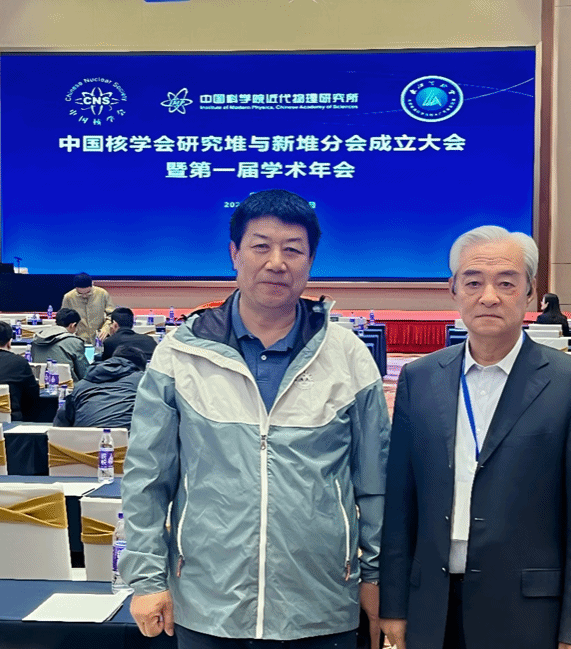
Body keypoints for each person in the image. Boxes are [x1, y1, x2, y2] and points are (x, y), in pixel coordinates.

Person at [120, 189, 390, 648]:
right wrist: (146, 578)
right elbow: (147, 476)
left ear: (311, 260)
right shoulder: (181, 353)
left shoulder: (347, 355)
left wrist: (376, 574)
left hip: (322, 603)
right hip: (207, 603)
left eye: (293, 249)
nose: (276, 262)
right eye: (261, 246)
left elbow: (375, 482)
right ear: (235, 254)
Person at [379, 225, 571, 649]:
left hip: (529, 618)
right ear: (453, 290)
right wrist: (394, 606)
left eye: (506, 283)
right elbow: (401, 504)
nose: (488, 296)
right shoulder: (420, 379)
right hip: (431, 609)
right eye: (473, 282)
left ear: (529, 292)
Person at [54, 345, 147, 430]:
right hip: (131, 439)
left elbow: (60, 424)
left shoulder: (81, 384)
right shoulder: (143, 380)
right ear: (140, 367)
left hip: (86, 440)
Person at [30, 307, 89, 381]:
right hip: (69, 385)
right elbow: (84, 373)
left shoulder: (37, 339)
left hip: (40, 384)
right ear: (72, 325)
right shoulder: (74, 342)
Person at [60, 273, 113, 343]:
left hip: (99, 338)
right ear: (76, 288)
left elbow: (112, 315)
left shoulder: (102, 294)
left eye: (88, 293)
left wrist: (106, 328)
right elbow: (63, 319)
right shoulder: (68, 297)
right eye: (80, 294)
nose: (84, 296)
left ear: (92, 285)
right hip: (78, 339)